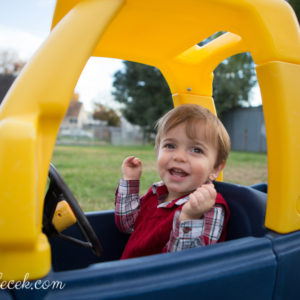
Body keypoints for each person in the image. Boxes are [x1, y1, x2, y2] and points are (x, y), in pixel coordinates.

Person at [115, 104, 231, 259]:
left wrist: (190, 218)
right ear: (157, 153)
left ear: (215, 168)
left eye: (196, 150)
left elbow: (187, 267)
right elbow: (127, 225)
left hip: (159, 282)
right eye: (170, 146)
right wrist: (130, 181)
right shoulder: (157, 192)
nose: (179, 157)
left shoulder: (209, 206)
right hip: (128, 274)